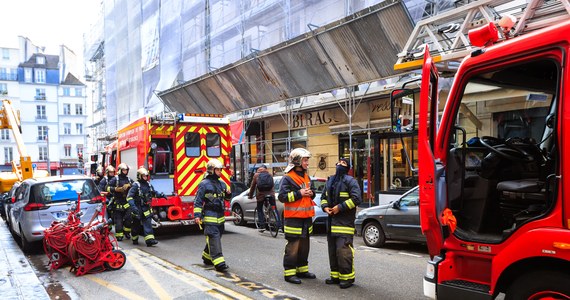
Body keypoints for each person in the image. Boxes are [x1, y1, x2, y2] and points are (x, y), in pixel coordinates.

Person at [320, 158, 362, 289]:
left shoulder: (351, 181)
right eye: (338, 162)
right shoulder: (330, 181)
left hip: (345, 223)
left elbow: (357, 199)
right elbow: (323, 198)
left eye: (343, 163)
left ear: (347, 167)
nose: (339, 164)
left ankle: (347, 278)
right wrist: (325, 207)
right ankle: (335, 276)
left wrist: (340, 207)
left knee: (343, 251)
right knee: (333, 251)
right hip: (331, 223)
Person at [278, 148, 316, 284]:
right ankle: (289, 273)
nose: (307, 163)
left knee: (305, 246)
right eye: (305, 160)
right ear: (298, 161)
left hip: (306, 218)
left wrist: (312, 193)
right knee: (293, 246)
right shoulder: (287, 178)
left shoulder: (306, 176)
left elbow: (312, 192)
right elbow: (282, 197)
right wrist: (299, 193)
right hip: (293, 218)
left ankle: (302, 270)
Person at [194, 159, 232, 272]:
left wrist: (229, 194)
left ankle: (206, 257)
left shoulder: (222, 184)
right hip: (210, 216)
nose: (220, 172)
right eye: (218, 170)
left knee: (215, 237)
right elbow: (198, 201)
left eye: (221, 170)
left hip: (220, 217)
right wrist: (197, 215)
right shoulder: (204, 184)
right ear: (211, 170)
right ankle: (219, 263)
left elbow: (226, 198)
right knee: (214, 238)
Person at [126, 167, 160, 246]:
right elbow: (129, 197)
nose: (145, 177)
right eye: (143, 176)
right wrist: (133, 207)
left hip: (146, 208)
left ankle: (150, 240)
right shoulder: (135, 185)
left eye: (146, 176)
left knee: (148, 223)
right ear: (139, 176)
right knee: (136, 225)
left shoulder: (148, 184)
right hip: (137, 208)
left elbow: (153, 192)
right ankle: (134, 238)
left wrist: (160, 195)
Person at [248, 164, 280, 232]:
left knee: (259, 209)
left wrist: (250, 195)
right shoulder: (270, 174)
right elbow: (272, 185)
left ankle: (262, 226)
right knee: (274, 208)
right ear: (265, 169)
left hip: (261, 195)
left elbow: (253, 186)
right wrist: (272, 194)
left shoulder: (256, 175)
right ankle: (279, 226)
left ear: (259, 169)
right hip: (271, 195)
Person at [107, 163, 134, 241]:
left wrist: (129, 185)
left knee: (129, 218)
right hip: (118, 202)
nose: (125, 172)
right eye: (123, 170)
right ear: (120, 171)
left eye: (126, 170)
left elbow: (135, 185)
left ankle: (127, 232)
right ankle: (119, 235)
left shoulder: (129, 179)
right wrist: (115, 189)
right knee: (118, 221)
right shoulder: (115, 179)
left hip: (127, 202)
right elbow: (107, 187)